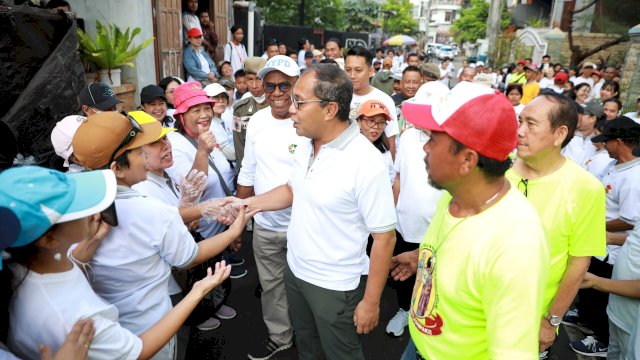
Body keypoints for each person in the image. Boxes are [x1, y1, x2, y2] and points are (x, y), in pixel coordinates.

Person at [226, 64, 397, 359]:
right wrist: (247, 205)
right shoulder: (307, 144)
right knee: (308, 347)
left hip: (335, 286)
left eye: (299, 102)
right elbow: (293, 190)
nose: (290, 109)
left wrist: (371, 302)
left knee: (341, 353)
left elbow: (384, 238)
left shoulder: (366, 163)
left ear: (330, 109)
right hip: (296, 271)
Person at [0, 165, 232, 360]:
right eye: (79, 208)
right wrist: (198, 290)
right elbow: (139, 351)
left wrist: (89, 245)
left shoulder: (19, 267)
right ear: (49, 239)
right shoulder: (78, 319)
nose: (95, 212)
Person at [391, 81, 549, 359]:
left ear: (467, 160)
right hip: (418, 346)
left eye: (433, 139)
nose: (425, 148)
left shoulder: (515, 243)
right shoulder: (453, 195)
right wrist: (420, 257)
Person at [505, 92, 606, 359]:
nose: (520, 131)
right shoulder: (497, 170)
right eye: (519, 121)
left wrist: (551, 321)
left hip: (528, 323)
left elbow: (578, 263)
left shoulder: (586, 188)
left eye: (531, 124)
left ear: (559, 134)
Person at [235, 55, 302, 359]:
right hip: (265, 227)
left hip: (303, 226)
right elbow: (248, 170)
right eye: (270, 85)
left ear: (296, 85)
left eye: (284, 85)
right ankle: (281, 337)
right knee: (272, 287)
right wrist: (239, 217)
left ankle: (307, 336)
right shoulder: (258, 120)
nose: (276, 92)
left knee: (304, 287)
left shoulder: (308, 121)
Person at [566, 116, 640, 357]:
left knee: (602, 296)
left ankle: (601, 339)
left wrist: (594, 225)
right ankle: (587, 321)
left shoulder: (633, 178)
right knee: (589, 290)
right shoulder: (614, 165)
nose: (604, 146)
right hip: (599, 241)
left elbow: (628, 221)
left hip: (614, 249)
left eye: (608, 141)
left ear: (620, 142)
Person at [346, 46, 399, 159]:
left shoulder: (385, 100)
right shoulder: (338, 96)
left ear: (371, 71)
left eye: (358, 70)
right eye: (348, 70)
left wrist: (390, 172)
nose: (352, 76)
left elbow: (390, 140)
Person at [232, 57, 268, 174]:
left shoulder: (278, 106)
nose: (254, 85)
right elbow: (239, 146)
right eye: (249, 79)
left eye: (258, 79)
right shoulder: (240, 109)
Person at [356, 100, 395, 184]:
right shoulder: (349, 149)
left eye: (381, 122)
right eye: (371, 121)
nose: (376, 126)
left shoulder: (385, 152)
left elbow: (391, 180)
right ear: (359, 121)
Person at [204, 83, 235, 162]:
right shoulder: (209, 124)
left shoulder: (224, 120)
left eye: (224, 97)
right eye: (216, 97)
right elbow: (232, 155)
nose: (221, 101)